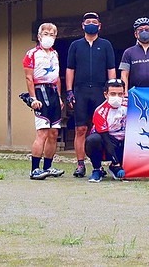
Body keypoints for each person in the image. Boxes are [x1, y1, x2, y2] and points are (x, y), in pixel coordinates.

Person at [66, 12, 116, 178]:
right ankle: (80, 164)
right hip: (80, 90)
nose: (91, 24)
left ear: (99, 26)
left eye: (94, 22)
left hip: (99, 90)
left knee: (100, 128)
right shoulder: (75, 45)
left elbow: (111, 69)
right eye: (88, 22)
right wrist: (69, 91)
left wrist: (112, 90)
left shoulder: (106, 44)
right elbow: (70, 69)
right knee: (81, 128)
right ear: (82, 25)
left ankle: (99, 164)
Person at [22, 22, 65, 180]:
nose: (49, 36)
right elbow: (29, 77)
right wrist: (33, 98)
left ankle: (48, 167)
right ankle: (35, 169)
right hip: (40, 91)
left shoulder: (55, 54)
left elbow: (57, 78)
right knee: (42, 132)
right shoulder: (32, 53)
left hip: (53, 92)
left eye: (52, 34)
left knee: (54, 133)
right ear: (39, 36)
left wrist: (60, 97)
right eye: (46, 33)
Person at [85, 78, 128, 183]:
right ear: (106, 94)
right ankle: (97, 169)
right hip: (108, 143)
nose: (117, 97)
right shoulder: (100, 112)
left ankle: (114, 167)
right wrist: (116, 162)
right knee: (93, 140)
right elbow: (106, 139)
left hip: (126, 142)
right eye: (113, 94)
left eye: (120, 94)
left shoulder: (132, 105)